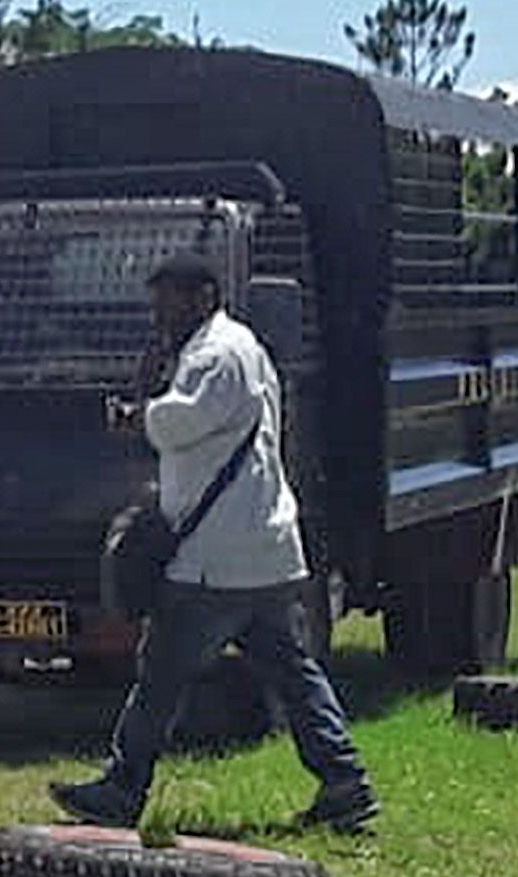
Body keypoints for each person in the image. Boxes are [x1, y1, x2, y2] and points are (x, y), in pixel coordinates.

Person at [53, 254, 377, 833]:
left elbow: (186, 420)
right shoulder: (240, 346)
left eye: (168, 302)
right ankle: (344, 780)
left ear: (203, 297)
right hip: (264, 550)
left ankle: (123, 790)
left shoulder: (216, 355)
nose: (160, 315)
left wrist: (137, 415)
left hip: (214, 557)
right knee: (294, 675)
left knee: (161, 675)